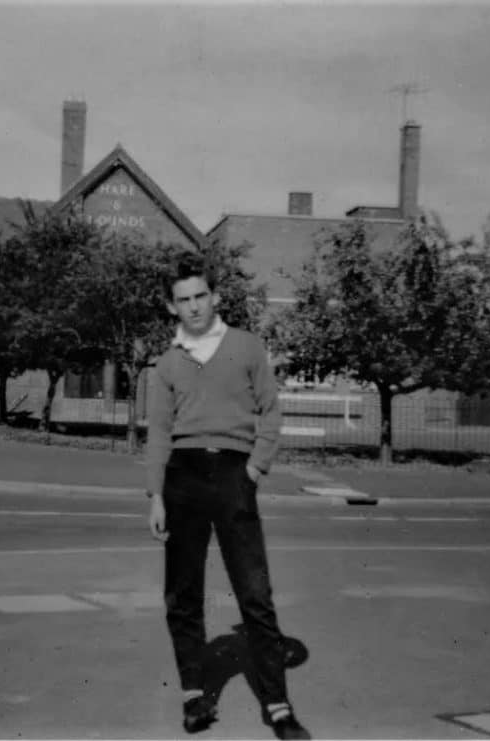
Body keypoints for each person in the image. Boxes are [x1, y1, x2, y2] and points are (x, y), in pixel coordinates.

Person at [146, 252, 308, 739]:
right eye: (183, 300)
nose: (193, 307)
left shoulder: (246, 347)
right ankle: (195, 698)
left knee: (254, 593)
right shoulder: (167, 362)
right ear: (171, 307)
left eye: (200, 296)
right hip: (184, 476)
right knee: (183, 594)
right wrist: (155, 495)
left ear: (214, 297)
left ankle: (278, 706)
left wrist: (256, 467)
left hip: (235, 474)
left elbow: (271, 412)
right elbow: (158, 431)